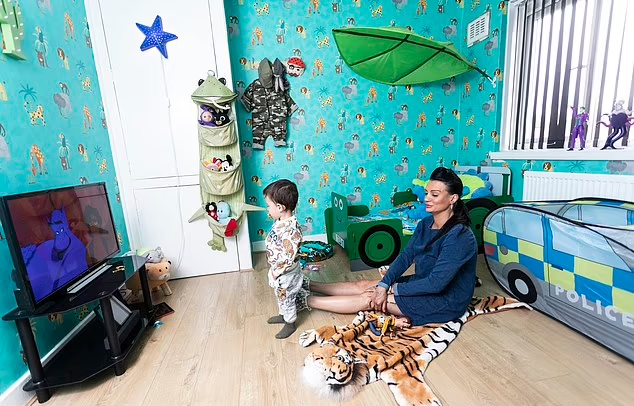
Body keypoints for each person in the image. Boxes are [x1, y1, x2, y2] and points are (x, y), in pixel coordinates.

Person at [306, 167, 478, 326]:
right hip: (423, 283)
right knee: (367, 285)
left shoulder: (460, 236)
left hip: (445, 300)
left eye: (434, 195)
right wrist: (384, 284)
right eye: (426, 193)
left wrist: (392, 289)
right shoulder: (425, 224)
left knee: (370, 298)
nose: (426, 198)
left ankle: (304, 301)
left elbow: (436, 284)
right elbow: (406, 257)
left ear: (453, 198)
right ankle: (307, 285)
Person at [263, 179, 309, 339]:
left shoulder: (291, 230)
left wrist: (277, 272)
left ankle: (290, 322)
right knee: (280, 294)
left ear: (280, 208)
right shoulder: (280, 222)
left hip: (286, 273)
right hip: (278, 270)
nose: (267, 209)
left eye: (268, 206)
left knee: (287, 297)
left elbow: (288, 257)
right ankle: (283, 315)